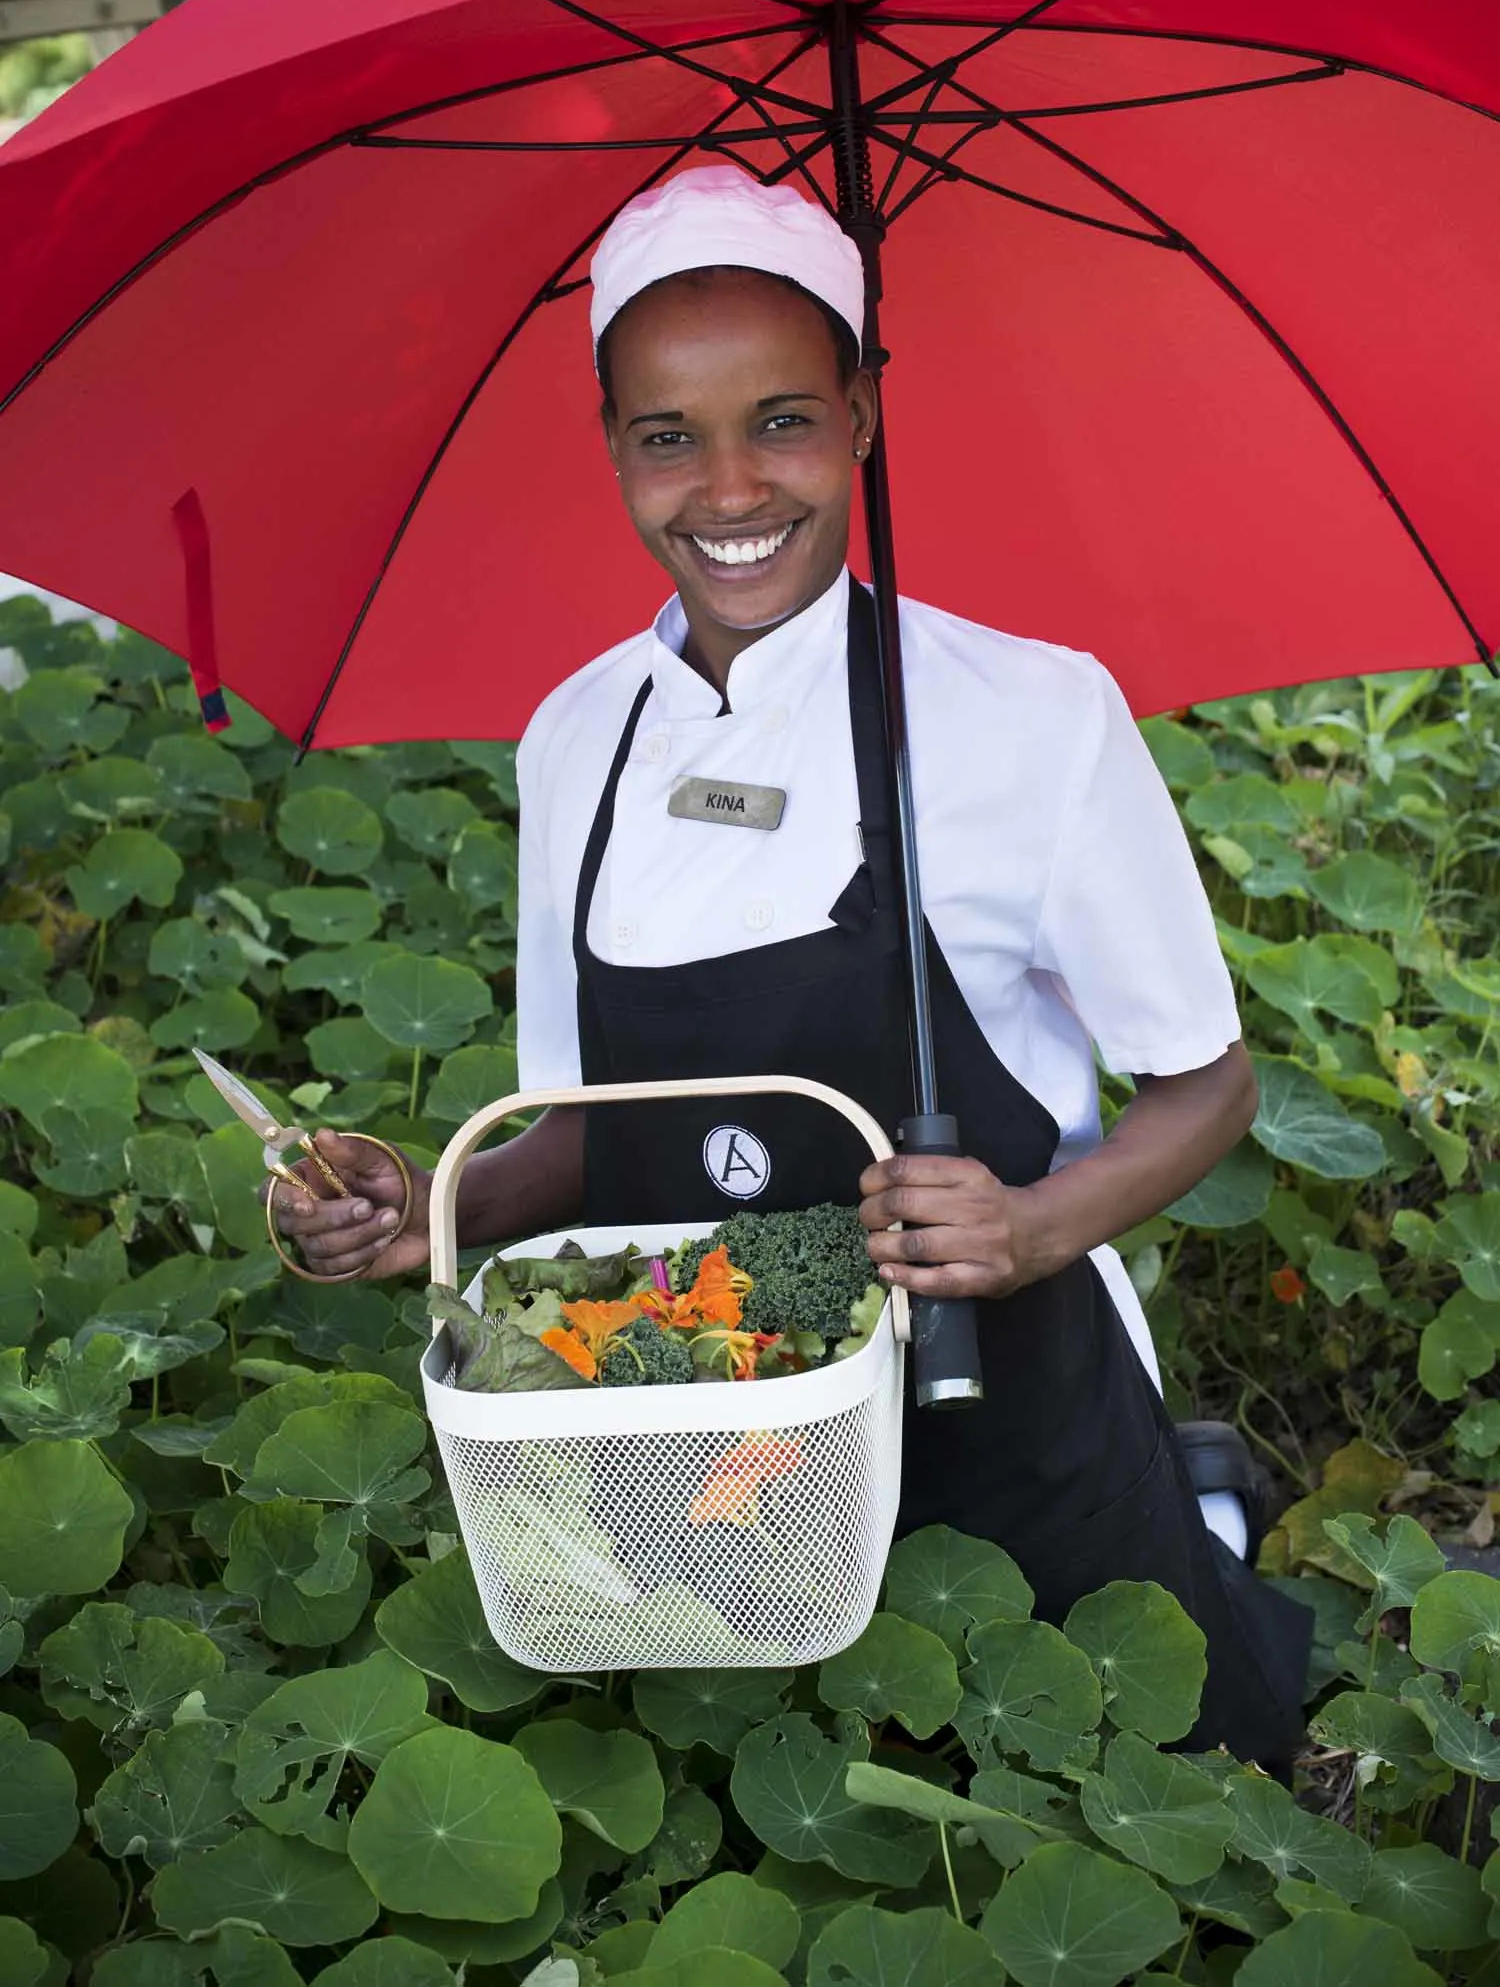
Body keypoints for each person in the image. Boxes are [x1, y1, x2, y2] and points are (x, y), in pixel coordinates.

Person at [277, 165, 1311, 1767]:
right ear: (611, 441)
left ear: (865, 414)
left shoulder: (1026, 718)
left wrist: (1032, 1229)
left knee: (1088, 1772)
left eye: (784, 420)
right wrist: (430, 1208)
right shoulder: (575, 742)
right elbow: (584, 1134)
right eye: (667, 437)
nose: (730, 485)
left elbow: (1213, 1084)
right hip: (699, 1420)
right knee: (770, 1794)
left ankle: (1200, 1507)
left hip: (1006, 1410)